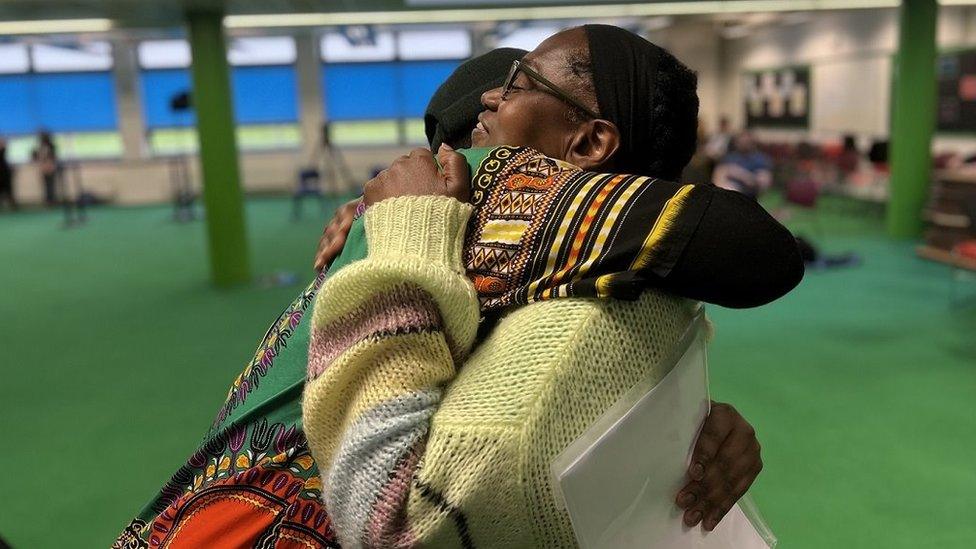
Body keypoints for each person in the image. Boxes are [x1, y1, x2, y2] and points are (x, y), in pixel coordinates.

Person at [115, 35, 797, 548]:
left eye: (517, 84)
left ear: (590, 143)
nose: (489, 109)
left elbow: (757, 250)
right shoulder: (508, 203)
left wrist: (681, 427)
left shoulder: (504, 180)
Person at [713, 131, 773, 199]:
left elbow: (764, 179)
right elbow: (720, 173)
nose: (744, 144)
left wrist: (743, 175)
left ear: (753, 143)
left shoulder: (760, 159)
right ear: (736, 142)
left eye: (747, 142)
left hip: (750, 189)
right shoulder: (730, 157)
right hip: (730, 188)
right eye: (741, 141)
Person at [31, 131, 59, 206]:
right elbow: (34, 156)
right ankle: (48, 200)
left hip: (50, 168)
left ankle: (52, 200)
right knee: (46, 185)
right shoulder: (39, 147)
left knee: (51, 185)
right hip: (44, 169)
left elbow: (54, 157)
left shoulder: (51, 146)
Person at [0, 138, 16, 211]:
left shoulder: (3, 151)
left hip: (5, 174)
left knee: (9, 191)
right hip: (2, 174)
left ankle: (13, 206)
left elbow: (4, 147)